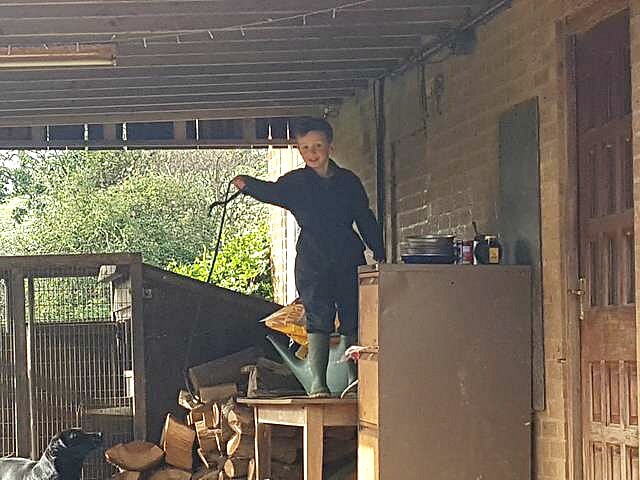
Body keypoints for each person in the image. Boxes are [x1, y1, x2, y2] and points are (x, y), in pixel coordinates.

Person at [232, 117, 385, 397]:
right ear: (299, 150)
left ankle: (353, 379)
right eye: (305, 147)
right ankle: (319, 383)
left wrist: (380, 251)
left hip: (347, 255)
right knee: (318, 316)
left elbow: (364, 217)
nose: (312, 153)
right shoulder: (295, 183)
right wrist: (247, 184)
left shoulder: (348, 182)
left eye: (317, 145)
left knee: (352, 316)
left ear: (329, 145)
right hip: (312, 260)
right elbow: (271, 191)